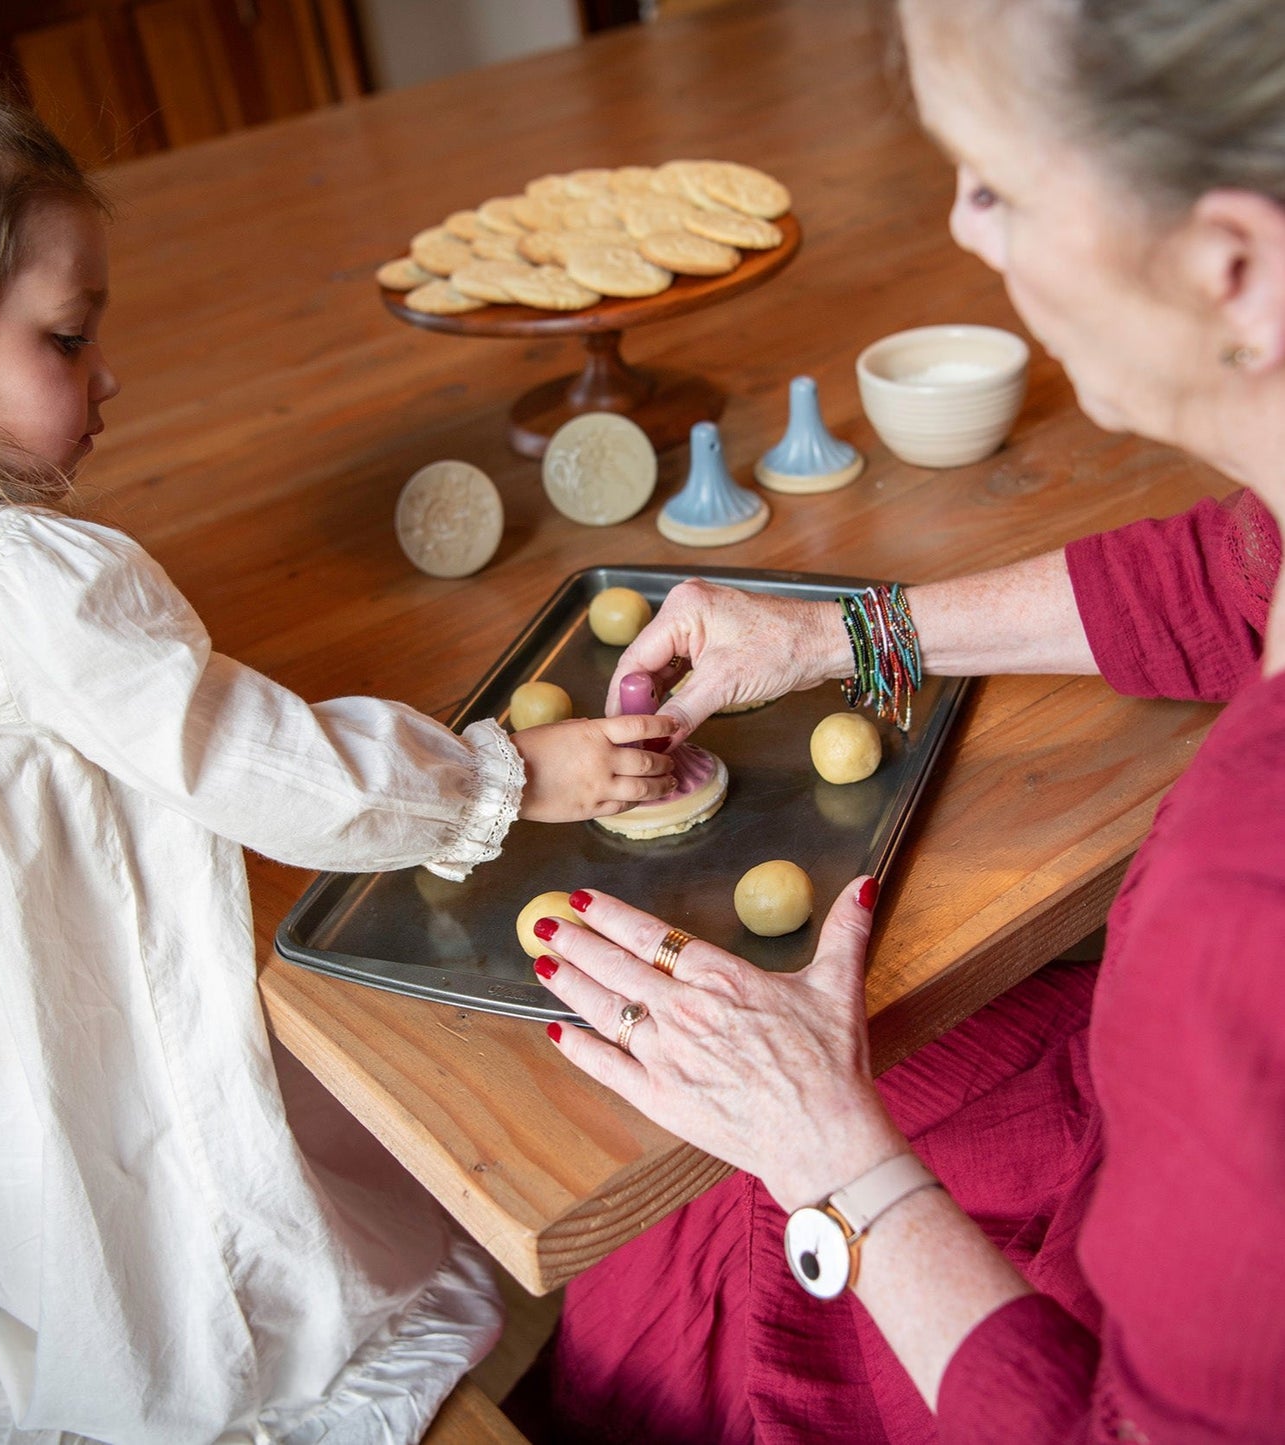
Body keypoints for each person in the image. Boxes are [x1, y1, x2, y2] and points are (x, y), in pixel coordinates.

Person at [0, 64, 681, 1445]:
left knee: (64, 1278)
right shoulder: (30, 582)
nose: (107, 375)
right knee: (212, 1277)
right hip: (112, 1043)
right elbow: (263, 764)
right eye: (62, 339)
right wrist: (509, 775)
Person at [523, 0, 1285, 1440]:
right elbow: (1223, 571)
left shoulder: (1249, 900)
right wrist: (841, 632)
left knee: (683, 1248)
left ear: (1228, 265)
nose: (963, 226)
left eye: (994, 180)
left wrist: (829, 1151)